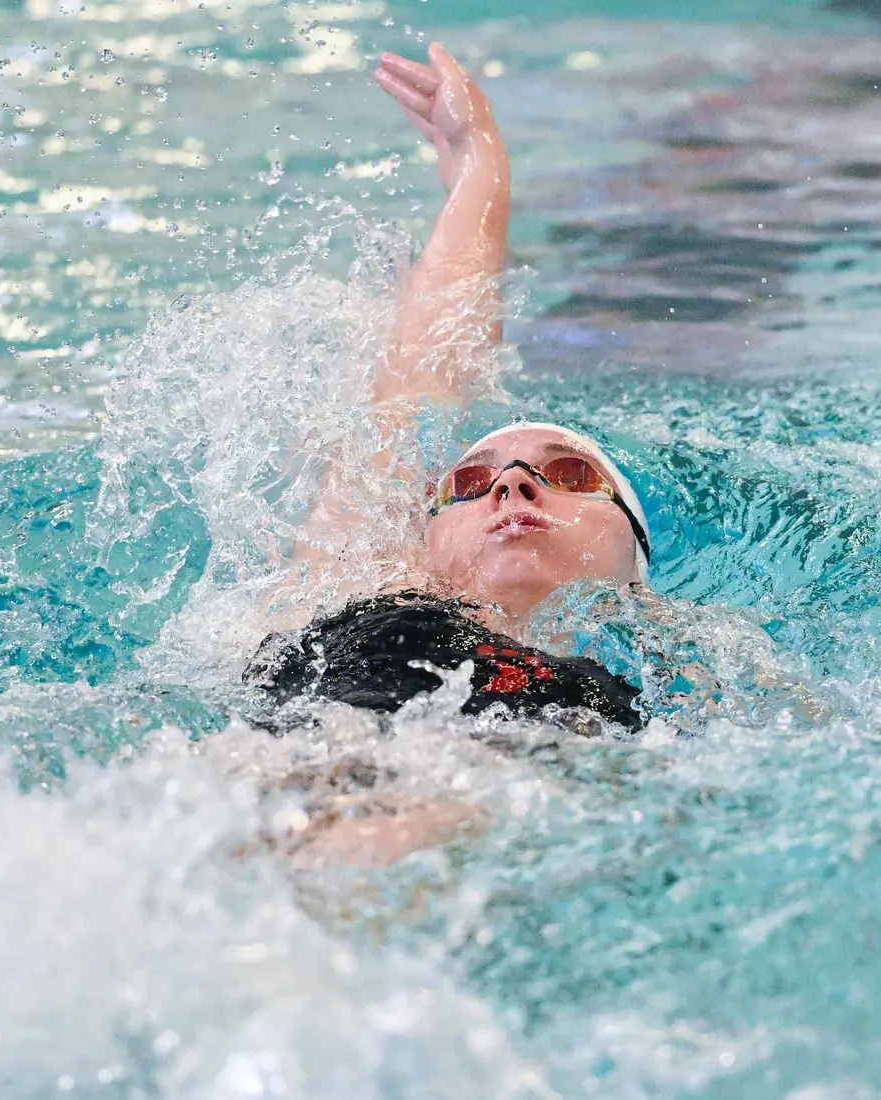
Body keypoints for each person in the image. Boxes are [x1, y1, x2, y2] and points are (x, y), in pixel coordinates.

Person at [241, 46, 659, 862]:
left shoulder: (681, 676)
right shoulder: (359, 586)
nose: (510, 484)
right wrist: (479, 167)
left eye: (568, 474)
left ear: (633, 556)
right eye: (468, 483)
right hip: (251, 786)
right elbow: (418, 381)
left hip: (460, 825)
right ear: (422, 539)